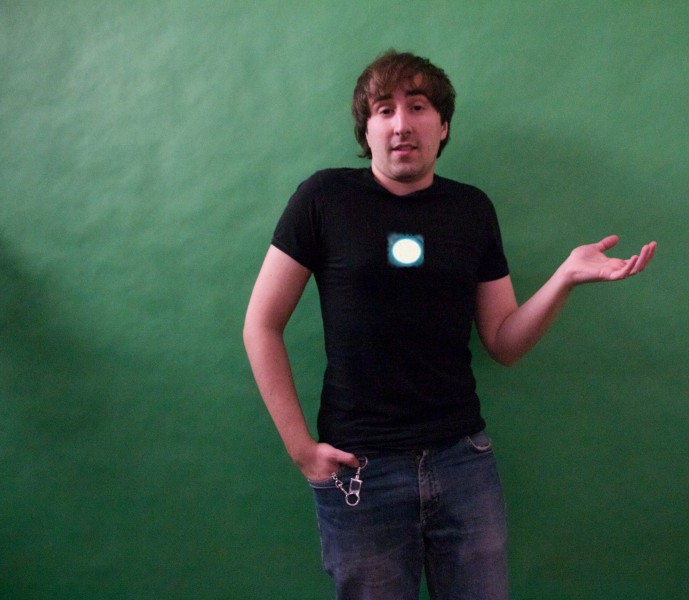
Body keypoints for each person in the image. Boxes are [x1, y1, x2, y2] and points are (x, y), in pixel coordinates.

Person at [243, 49, 656, 600]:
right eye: (384, 110)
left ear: (442, 126)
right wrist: (300, 448)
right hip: (361, 471)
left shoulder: (471, 209)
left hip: (464, 464)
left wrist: (565, 278)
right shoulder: (323, 198)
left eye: (418, 107)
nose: (401, 124)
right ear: (366, 129)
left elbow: (503, 342)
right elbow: (261, 324)